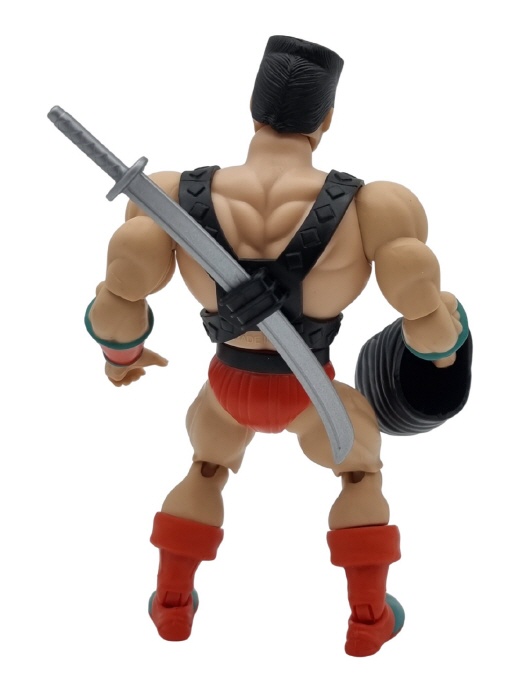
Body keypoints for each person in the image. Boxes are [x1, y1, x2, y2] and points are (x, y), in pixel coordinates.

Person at [85, 35, 471, 657]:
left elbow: (120, 303)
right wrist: (449, 341)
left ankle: (172, 601)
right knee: (358, 474)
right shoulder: (373, 206)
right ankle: (369, 615)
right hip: (312, 394)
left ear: (253, 109)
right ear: (326, 120)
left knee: (206, 469)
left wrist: (121, 360)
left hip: (225, 389)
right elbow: (426, 324)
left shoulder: (171, 194)